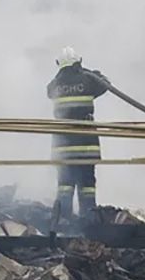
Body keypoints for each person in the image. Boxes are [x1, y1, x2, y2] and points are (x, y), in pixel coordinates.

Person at [46, 47, 108, 222]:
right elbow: (105, 84)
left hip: (63, 147)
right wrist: (91, 72)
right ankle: (88, 219)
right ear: (78, 62)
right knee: (87, 184)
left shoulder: (55, 84)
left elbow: (48, 91)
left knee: (65, 184)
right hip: (86, 144)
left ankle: (64, 221)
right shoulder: (87, 80)